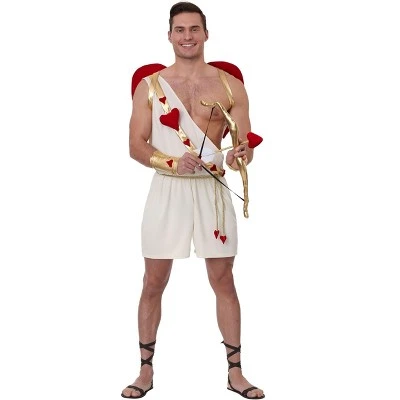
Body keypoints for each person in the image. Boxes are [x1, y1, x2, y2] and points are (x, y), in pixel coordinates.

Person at [121, 2, 264, 399]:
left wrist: (239, 156)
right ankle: (145, 371)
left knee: (223, 279)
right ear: (169, 35)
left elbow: (244, 144)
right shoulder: (150, 86)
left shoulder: (230, 85)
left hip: (212, 189)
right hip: (168, 188)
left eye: (194, 29)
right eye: (180, 30)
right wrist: (171, 161)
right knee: (154, 280)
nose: (187, 36)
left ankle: (236, 373)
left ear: (206, 33)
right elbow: (135, 144)